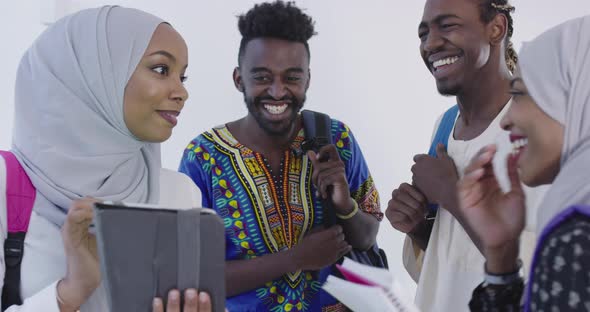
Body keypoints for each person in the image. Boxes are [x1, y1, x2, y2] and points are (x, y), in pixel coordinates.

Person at [0, 6, 212, 311]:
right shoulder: (6, 188)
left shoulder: (178, 193)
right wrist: (69, 293)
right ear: (93, 72)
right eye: (162, 69)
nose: (182, 92)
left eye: (183, 75)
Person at [178, 1, 382, 311]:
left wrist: (344, 205)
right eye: (262, 77)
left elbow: (367, 239)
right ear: (238, 79)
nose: (277, 91)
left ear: (308, 80)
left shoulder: (336, 138)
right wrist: (295, 258)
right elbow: (193, 276)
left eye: (292, 77)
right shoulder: (203, 157)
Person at [385, 0, 544, 310]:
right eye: (423, 33)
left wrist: (450, 194)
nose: (430, 44)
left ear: (496, 28)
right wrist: (418, 228)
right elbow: (450, 262)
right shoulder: (445, 126)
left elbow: (546, 273)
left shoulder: (543, 128)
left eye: (448, 25)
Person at [458, 15, 590, 311]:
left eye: (518, 93)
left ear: (576, 95)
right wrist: (501, 257)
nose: (506, 120)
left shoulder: (577, 240)